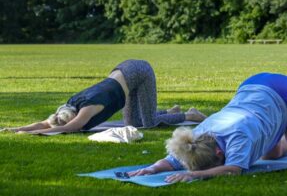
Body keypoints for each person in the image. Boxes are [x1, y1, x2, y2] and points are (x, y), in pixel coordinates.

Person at [128, 72, 287, 182]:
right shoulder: (196, 139)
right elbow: (175, 159)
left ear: (220, 153)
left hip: (285, 92)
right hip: (252, 86)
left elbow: (234, 169)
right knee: (270, 153)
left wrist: (194, 175)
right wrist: (152, 168)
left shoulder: (238, 140)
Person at [10, 59, 206, 134]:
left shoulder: (87, 109)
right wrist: (17, 128)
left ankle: (190, 115)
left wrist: (31, 133)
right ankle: (169, 111)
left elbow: (72, 127)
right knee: (134, 123)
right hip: (125, 72)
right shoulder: (68, 106)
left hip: (140, 72)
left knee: (149, 123)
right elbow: (45, 123)